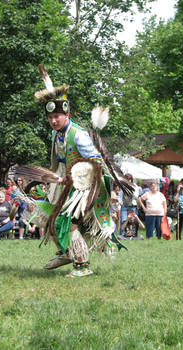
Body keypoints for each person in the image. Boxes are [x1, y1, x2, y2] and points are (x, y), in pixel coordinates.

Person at [29, 64, 117, 277]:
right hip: (65, 183)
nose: (53, 120)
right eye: (50, 118)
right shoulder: (56, 134)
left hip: (85, 185)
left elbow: (97, 160)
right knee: (52, 219)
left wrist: (108, 188)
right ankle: (67, 252)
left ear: (66, 114)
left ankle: (82, 265)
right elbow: (58, 160)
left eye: (57, 117)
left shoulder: (78, 135)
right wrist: (53, 179)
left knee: (70, 223)